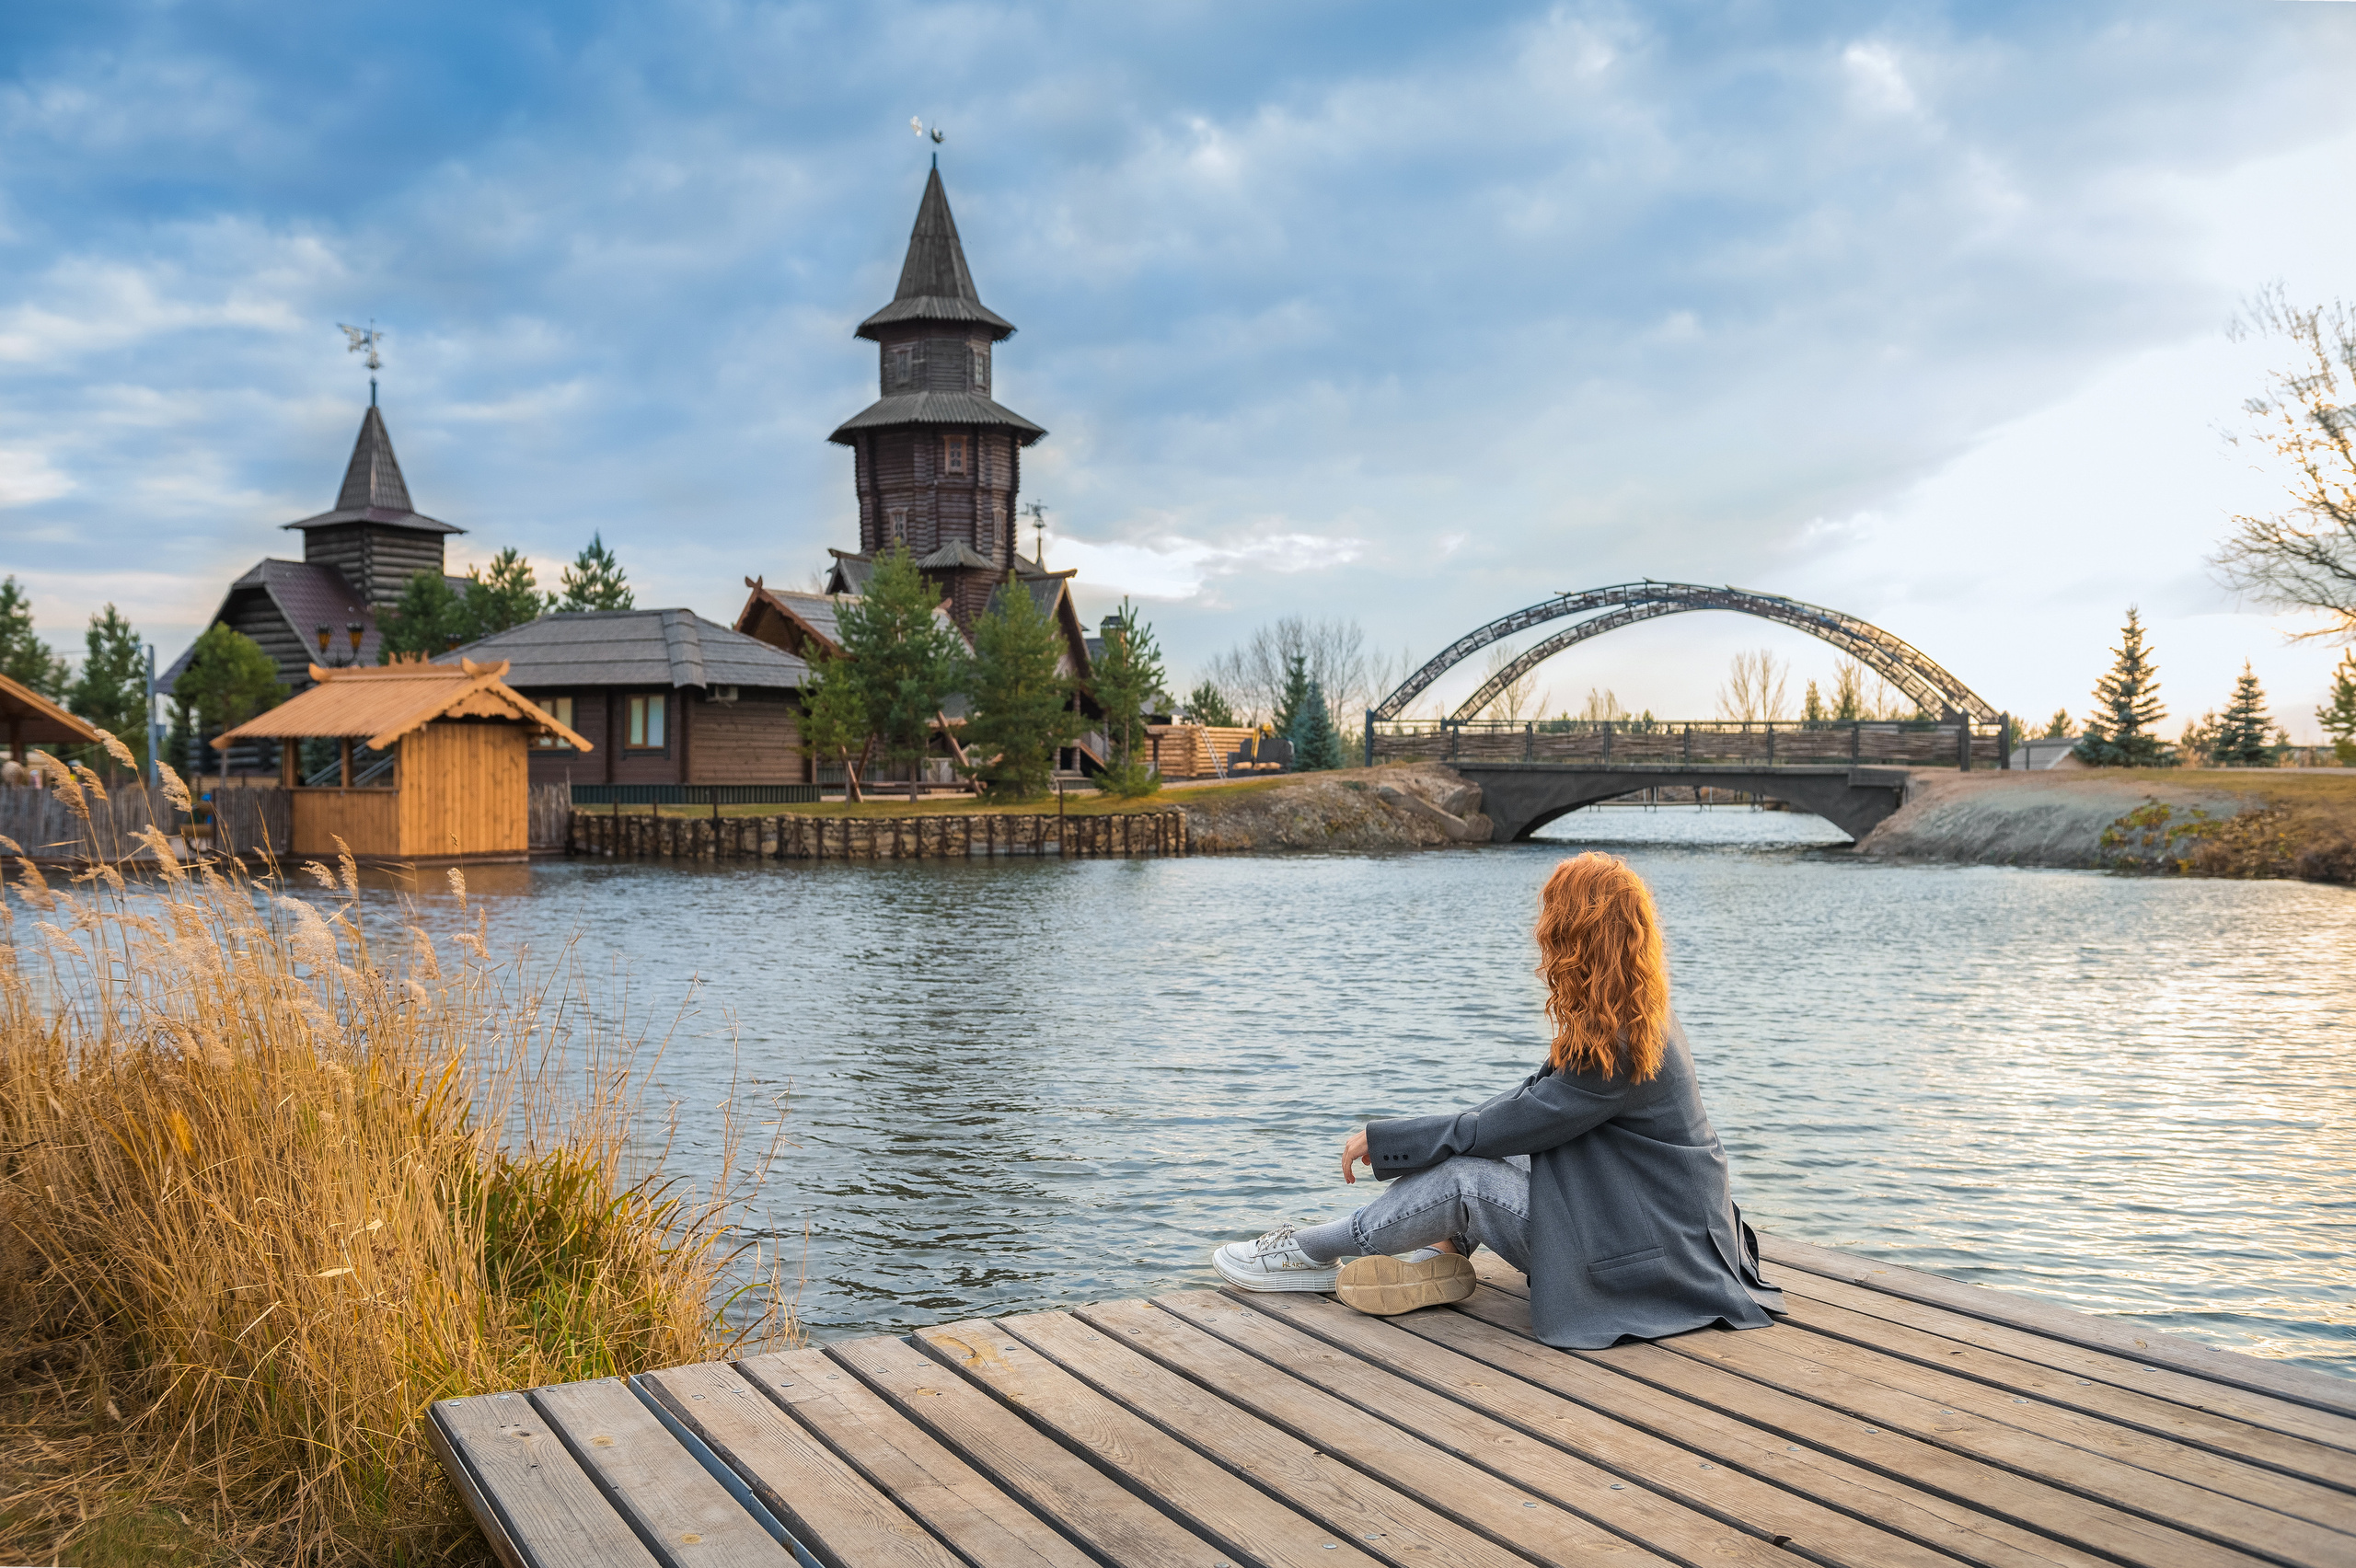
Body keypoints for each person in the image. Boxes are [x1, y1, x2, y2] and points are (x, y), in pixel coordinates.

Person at [1209, 851, 1784, 1348]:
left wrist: (1391, 1141)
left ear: (1578, 936)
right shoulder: (1636, 1014)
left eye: (1553, 919)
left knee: (1465, 1177)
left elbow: (1511, 1124)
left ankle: (1311, 1252)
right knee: (1481, 1148)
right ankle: (1442, 1251)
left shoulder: (1622, 1043)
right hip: (1652, 1228)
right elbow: (1526, 1107)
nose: (1542, 930)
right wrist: (1414, 1139)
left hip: (1649, 1258)